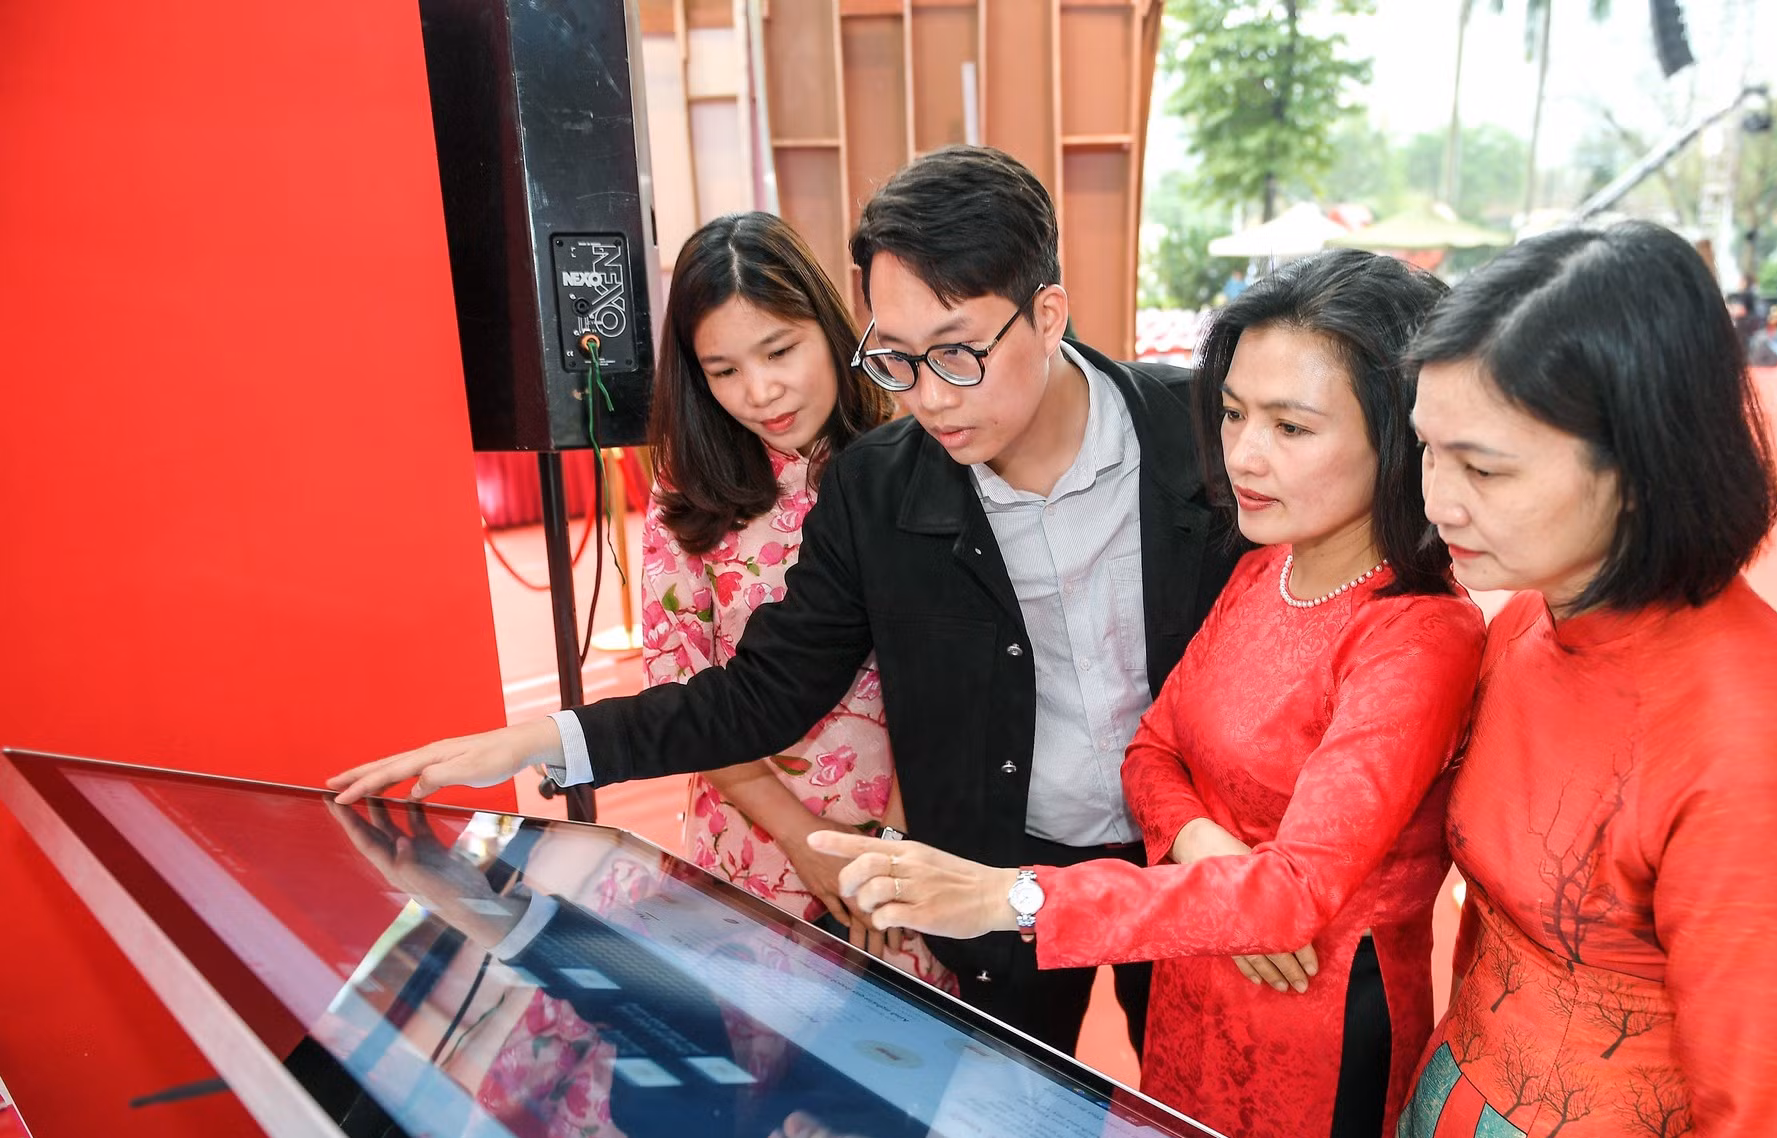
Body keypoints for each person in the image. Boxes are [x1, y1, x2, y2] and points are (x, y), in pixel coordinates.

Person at [331, 145, 1245, 1058]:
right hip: (988, 873)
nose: (929, 398)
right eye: (897, 358)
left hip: (1192, 857)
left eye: (956, 353)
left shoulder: (1202, 434)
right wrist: (541, 740)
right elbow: (760, 695)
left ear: (1047, 315)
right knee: (1012, 1110)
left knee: (1197, 1110)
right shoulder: (880, 488)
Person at [804, 249, 1487, 1138]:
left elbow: (1294, 897)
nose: (1244, 455)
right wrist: (1210, 847)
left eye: (1291, 426)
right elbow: (1151, 750)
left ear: (1400, 432)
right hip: (1194, 980)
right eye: (1235, 414)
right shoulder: (1268, 568)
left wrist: (1011, 898)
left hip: (1316, 1013)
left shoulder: (1418, 633)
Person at [1387, 221, 1777, 1138]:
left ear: (1641, 464)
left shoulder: (1760, 742)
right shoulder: (1527, 620)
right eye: (1428, 450)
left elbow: (1760, 1125)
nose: (1438, 500)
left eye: (1484, 467)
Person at [634, 212, 947, 987]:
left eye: (779, 351)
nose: (760, 391)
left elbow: (949, 680)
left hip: (911, 852)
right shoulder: (686, 497)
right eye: (723, 370)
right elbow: (683, 694)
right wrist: (802, 840)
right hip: (755, 845)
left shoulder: (916, 459)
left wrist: (891, 846)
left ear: (831, 328)